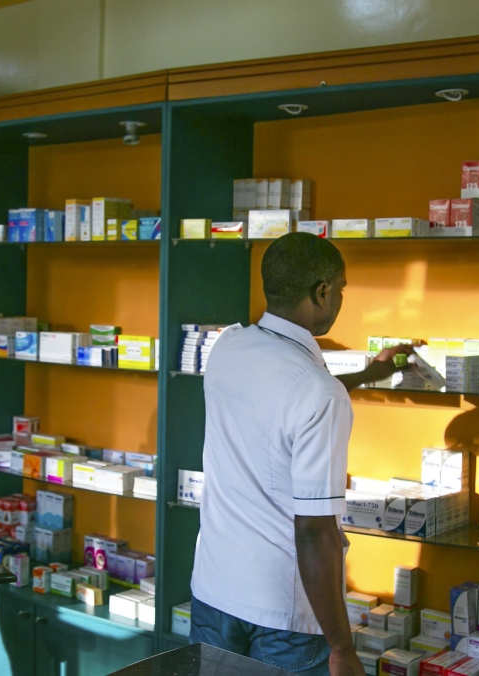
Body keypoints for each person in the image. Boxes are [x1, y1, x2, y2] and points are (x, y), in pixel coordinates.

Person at [190, 232, 414, 676]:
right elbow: (315, 533)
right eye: (342, 289)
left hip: (213, 593)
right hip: (283, 617)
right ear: (322, 292)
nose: (340, 298)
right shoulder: (318, 394)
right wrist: (341, 648)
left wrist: (368, 374)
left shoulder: (228, 347)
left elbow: (286, 399)